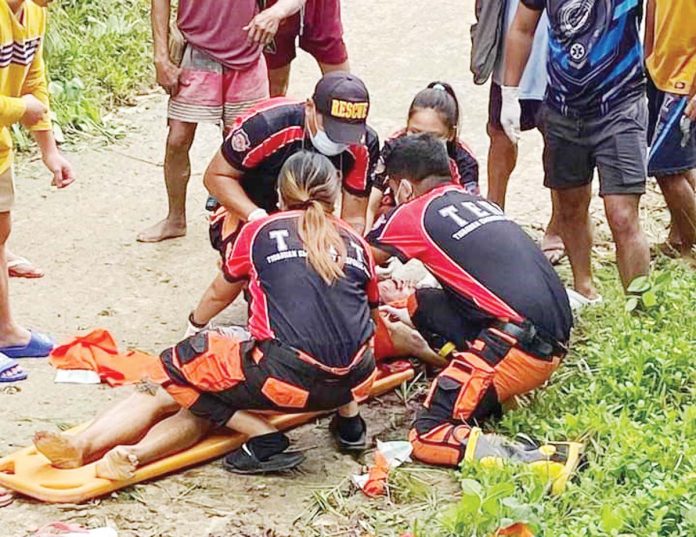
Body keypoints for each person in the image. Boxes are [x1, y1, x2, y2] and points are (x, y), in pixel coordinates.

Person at [33, 151, 380, 477]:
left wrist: (193, 326)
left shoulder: (261, 231)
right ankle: (132, 455)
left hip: (285, 379)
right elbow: (368, 315)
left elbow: (219, 293)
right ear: (333, 195)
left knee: (175, 370)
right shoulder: (356, 242)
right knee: (199, 398)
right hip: (355, 379)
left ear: (279, 194)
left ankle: (259, 435)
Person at [366, 134, 573, 468]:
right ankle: (479, 387)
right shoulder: (475, 200)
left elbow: (354, 261)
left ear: (404, 187)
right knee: (422, 303)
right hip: (552, 334)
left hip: (518, 344)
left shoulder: (412, 213)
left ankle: (542, 462)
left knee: (427, 435)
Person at [503, 1, 650, 307]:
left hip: (620, 103)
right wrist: (509, 92)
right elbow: (521, 27)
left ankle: (640, 308)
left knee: (622, 215)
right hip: (562, 107)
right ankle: (584, 287)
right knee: (570, 206)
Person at [204, 71, 379, 266]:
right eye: (332, 128)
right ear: (310, 107)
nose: (339, 140)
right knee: (253, 269)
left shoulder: (363, 146)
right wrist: (257, 218)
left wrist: (345, 257)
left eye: (348, 132)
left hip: (314, 218)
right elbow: (216, 176)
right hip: (248, 209)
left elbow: (353, 219)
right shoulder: (267, 125)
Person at [138, 0, 273, 243]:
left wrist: (277, 12)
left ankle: (242, 218)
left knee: (243, 143)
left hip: (247, 54)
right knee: (177, 140)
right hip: (194, 51)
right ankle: (175, 219)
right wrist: (160, 56)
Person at [0, 0, 74, 382]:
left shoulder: (34, 12)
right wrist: (18, 109)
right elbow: (23, 103)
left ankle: (6, 332)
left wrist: (49, 150)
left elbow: (34, 83)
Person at [488, 0, 564, 265]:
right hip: (512, 40)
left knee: (557, 139)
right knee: (499, 133)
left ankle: (558, 224)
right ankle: (493, 212)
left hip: (561, 46)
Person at [365, 82, 479, 231]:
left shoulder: (464, 161)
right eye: (415, 132)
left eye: (433, 136)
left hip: (442, 222)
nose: (421, 142)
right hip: (398, 212)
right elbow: (370, 205)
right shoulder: (394, 147)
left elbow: (468, 213)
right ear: (407, 125)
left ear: (451, 134)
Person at [645, 0, 696, 259]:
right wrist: (648, 57)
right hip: (660, 71)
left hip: (686, 80)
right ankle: (678, 238)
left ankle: (691, 249)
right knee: (679, 165)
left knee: (664, 168)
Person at [260, 0, 350, 98]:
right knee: (274, 88)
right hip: (271, 8)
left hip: (319, 8)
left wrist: (278, 11)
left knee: (341, 88)